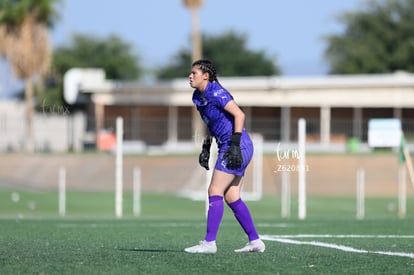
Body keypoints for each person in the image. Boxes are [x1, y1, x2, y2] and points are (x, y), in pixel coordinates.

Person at [184, 59, 265, 254]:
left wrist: (235, 144)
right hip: (229, 145)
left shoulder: (216, 92)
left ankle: (209, 243)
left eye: (194, 73)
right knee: (231, 195)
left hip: (236, 145)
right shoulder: (198, 96)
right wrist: (205, 146)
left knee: (214, 190)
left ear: (206, 75)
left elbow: (240, 115)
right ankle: (255, 241)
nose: (190, 76)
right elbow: (210, 123)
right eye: (191, 72)